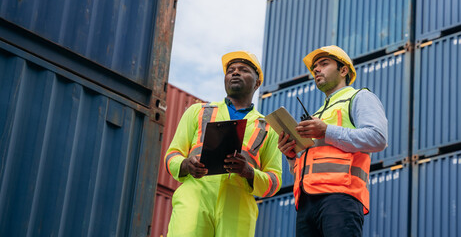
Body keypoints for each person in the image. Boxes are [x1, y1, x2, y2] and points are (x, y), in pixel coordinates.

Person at [165, 51, 282, 237]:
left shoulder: (268, 128)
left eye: (243, 70)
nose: (235, 73)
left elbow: (274, 182)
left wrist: (249, 172)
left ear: (257, 83)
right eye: (230, 70)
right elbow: (172, 156)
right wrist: (187, 164)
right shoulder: (197, 111)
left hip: (238, 210)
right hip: (194, 201)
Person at [277, 45, 388, 237]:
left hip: (340, 198)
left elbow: (378, 138)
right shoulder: (318, 114)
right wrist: (291, 156)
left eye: (324, 64)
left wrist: (326, 131)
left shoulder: (359, 97)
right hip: (306, 203)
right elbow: (310, 164)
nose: (316, 70)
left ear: (343, 70)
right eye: (315, 68)